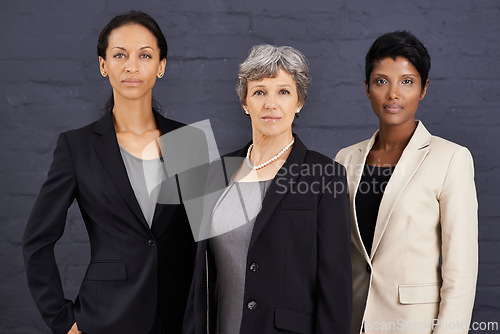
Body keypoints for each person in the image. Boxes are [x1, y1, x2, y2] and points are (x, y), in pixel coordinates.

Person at [22, 11, 197, 334]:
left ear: (161, 65)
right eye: (120, 55)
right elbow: (37, 241)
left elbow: (211, 244)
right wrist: (63, 321)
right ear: (103, 65)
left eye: (145, 55)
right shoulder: (76, 147)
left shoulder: (190, 142)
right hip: (105, 318)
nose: (132, 66)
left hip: (181, 318)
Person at [182, 45, 352, 334]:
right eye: (259, 92)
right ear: (245, 102)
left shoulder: (325, 175)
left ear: (299, 102)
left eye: (283, 92)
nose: (271, 103)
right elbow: (198, 280)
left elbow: (335, 287)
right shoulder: (215, 174)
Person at [335, 31, 478, 334]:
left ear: (424, 88)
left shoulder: (451, 159)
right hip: (350, 322)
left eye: (407, 82)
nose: (393, 94)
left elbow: (461, 272)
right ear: (367, 88)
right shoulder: (345, 160)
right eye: (381, 81)